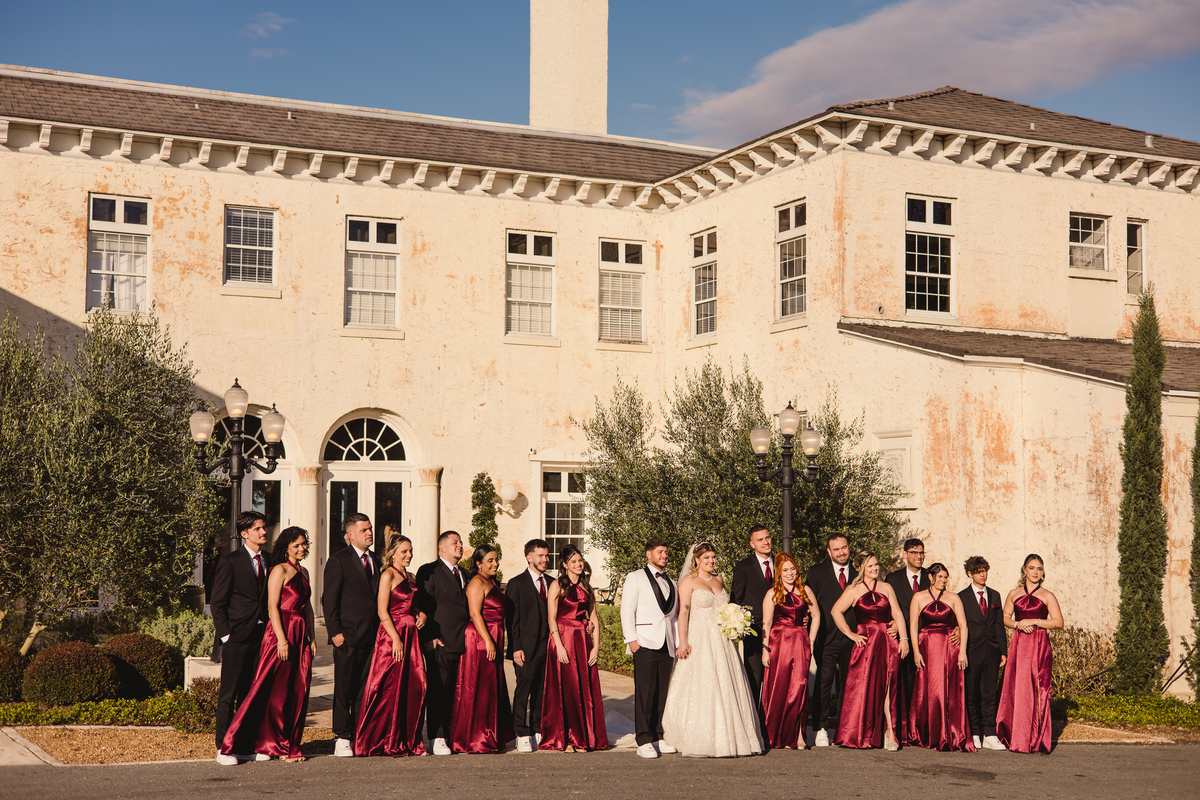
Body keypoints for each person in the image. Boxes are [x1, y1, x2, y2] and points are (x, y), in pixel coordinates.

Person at [221, 526, 316, 762]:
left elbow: (308, 608)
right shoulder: (279, 570)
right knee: (277, 691)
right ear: (286, 547)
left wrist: (312, 638)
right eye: (296, 545)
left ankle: (290, 743)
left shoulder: (304, 571)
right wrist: (282, 640)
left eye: (304, 544)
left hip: (300, 634)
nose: (302, 548)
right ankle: (273, 745)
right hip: (281, 633)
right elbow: (273, 607)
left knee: (298, 689)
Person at [661, 542, 763, 758]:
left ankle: (732, 737)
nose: (711, 561)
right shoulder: (688, 582)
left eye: (713, 557)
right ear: (696, 559)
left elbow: (726, 608)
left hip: (722, 640)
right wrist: (682, 642)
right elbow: (683, 613)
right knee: (704, 683)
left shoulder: (719, 579)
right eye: (706, 557)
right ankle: (702, 737)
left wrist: (735, 622)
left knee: (727, 683)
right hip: (700, 638)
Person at [354, 533, 428, 757]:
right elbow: (382, 610)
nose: (409, 555)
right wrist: (395, 638)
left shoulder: (411, 576)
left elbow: (411, 604)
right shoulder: (387, 574)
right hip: (392, 636)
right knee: (388, 687)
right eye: (404, 551)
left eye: (410, 550)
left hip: (411, 635)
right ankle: (381, 740)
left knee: (415, 685)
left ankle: (407, 739)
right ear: (393, 553)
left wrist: (421, 613)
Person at [211, 511, 272, 766]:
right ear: (244, 533)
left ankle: (246, 746)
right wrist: (227, 636)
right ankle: (223, 748)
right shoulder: (230, 561)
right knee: (229, 693)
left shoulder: (269, 560)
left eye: (264, 527)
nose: (264, 532)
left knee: (251, 693)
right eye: (258, 528)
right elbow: (218, 603)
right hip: (236, 637)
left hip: (261, 637)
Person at [832, 551, 908, 750]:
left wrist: (904, 638)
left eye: (876, 565)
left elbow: (898, 613)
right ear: (861, 568)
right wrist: (851, 634)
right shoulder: (853, 589)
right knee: (863, 686)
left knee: (888, 685)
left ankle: (890, 732)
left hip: (888, 641)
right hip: (866, 643)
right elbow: (835, 611)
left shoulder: (886, 587)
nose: (875, 569)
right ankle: (860, 733)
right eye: (870, 565)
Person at [322, 512, 380, 758]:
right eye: (364, 530)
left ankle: (359, 733)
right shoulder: (339, 560)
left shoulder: (376, 560)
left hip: (372, 636)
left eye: (370, 528)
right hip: (347, 637)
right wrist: (335, 633)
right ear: (351, 534)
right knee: (344, 689)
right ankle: (342, 736)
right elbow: (329, 600)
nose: (370, 533)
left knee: (364, 689)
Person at [540, 544, 608, 752]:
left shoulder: (588, 587)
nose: (579, 564)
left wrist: (596, 647)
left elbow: (594, 618)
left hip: (582, 641)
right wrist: (559, 646)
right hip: (563, 639)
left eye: (580, 560)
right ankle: (568, 738)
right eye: (574, 561)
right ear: (564, 564)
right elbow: (551, 618)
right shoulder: (557, 586)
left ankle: (585, 737)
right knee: (567, 689)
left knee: (584, 690)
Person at [449, 544, 514, 753]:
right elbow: (475, 614)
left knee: (491, 687)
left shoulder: (491, 582)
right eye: (490, 561)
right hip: (480, 637)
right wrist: (488, 640)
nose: (495, 564)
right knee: (479, 686)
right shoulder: (477, 582)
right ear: (479, 564)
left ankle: (489, 734)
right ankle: (475, 738)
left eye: (496, 560)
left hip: (493, 634)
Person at [619, 537, 679, 759]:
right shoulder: (635, 577)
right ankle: (643, 740)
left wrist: (677, 643)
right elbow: (627, 609)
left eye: (666, 552)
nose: (664, 555)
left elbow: (673, 617)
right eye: (660, 551)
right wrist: (631, 639)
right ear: (649, 554)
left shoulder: (672, 583)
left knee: (662, 693)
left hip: (667, 643)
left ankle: (657, 736)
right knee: (645, 693)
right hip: (643, 642)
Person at [997, 554, 1062, 754]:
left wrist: (1035, 621)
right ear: (1024, 569)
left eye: (1039, 569)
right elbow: (1004, 617)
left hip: (1039, 645)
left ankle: (1035, 738)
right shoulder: (1014, 593)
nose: (1035, 572)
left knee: (1038, 688)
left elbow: (1058, 622)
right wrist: (1017, 624)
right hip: (1019, 644)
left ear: (1043, 572)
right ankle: (1016, 735)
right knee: (1017, 687)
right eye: (1032, 568)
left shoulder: (1048, 595)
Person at [906, 562, 974, 752]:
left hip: (950, 648)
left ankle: (952, 733)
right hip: (926, 647)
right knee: (928, 689)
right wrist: (916, 652)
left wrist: (962, 651)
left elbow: (964, 625)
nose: (943, 581)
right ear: (930, 577)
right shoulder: (918, 597)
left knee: (950, 689)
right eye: (940, 577)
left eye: (946, 577)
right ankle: (929, 732)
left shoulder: (953, 598)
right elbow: (913, 626)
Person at [415, 530, 469, 756]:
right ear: (442, 548)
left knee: (456, 691)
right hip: (440, 640)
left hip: (463, 641)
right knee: (439, 690)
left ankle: (451, 734)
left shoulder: (465, 573)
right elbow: (423, 605)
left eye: (461, 542)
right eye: (455, 542)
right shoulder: (429, 570)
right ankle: (436, 736)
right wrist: (429, 637)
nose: (460, 545)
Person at [760, 552, 819, 750]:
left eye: (792, 568)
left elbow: (817, 615)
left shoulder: (805, 590)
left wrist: (811, 639)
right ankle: (775, 733)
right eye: (785, 570)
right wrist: (764, 650)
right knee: (779, 686)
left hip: (801, 640)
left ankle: (798, 733)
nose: (790, 573)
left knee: (800, 685)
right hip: (778, 642)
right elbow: (766, 623)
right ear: (779, 572)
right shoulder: (772, 594)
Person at [805, 534, 856, 747]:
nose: (841, 552)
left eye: (844, 547)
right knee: (823, 683)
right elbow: (808, 602)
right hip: (826, 638)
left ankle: (846, 728)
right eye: (836, 549)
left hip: (854, 636)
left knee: (849, 683)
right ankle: (821, 728)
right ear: (828, 551)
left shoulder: (859, 570)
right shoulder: (816, 572)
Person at [505, 538, 552, 753]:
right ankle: (521, 732)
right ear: (529, 557)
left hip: (547, 646)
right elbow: (512, 620)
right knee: (523, 691)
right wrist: (516, 647)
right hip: (524, 647)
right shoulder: (516, 583)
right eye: (540, 555)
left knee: (541, 690)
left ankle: (536, 728)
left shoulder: (552, 582)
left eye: (546, 555)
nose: (545, 559)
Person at [958, 555, 1008, 751]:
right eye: (978, 572)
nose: (982, 575)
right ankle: (974, 732)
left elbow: (998, 625)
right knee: (971, 694)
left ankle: (990, 734)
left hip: (992, 652)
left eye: (984, 571)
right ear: (970, 574)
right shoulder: (961, 597)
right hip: (971, 651)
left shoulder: (995, 595)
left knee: (989, 694)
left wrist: (1003, 650)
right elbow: (959, 624)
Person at [730, 524, 774, 715]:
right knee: (754, 681)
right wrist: (739, 627)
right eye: (760, 539)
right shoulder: (744, 567)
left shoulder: (781, 563)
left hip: (781, 630)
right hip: (754, 632)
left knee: (776, 682)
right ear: (752, 544)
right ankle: (753, 723)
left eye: (767, 537)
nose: (765, 542)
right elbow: (736, 600)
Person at [885, 537, 929, 725]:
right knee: (902, 683)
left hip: (926, 638)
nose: (919, 556)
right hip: (901, 639)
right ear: (905, 554)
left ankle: (920, 725)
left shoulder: (931, 576)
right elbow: (887, 607)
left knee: (924, 685)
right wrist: (893, 622)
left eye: (921, 553)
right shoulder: (892, 579)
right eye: (914, 553)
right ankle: (901, 725)